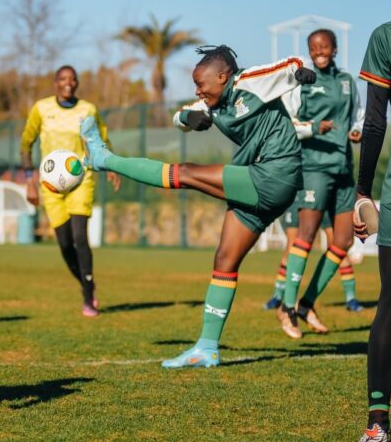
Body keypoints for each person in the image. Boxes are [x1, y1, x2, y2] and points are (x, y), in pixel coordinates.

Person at [80, 45, 316, 367]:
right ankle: (207, 348)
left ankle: (104, 159)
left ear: (223, 76)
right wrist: (189, 118)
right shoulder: (211, 102)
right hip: (260, 181)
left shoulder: (250, 82)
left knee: (187, 173)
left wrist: (301, 72)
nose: (197, 90)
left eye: (201, 83)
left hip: (276, 173)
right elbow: (180, 117)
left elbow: (290, 64)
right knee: (224, 260)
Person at [278, 29, 363, 338]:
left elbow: (357, 117)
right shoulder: (302, 83)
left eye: (325, 46)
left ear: (335, 48)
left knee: (343, 241)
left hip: (343, 169)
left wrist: (357, 131)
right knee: (307, 235)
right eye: (314, 48)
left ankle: (306, 303)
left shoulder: (347, 82)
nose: (320, 51)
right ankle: (286, 307)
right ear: (309, 52)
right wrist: (313, 127)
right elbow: (287, 125)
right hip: (314, 168)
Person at [21, 65, 120, 317]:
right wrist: (30, 181)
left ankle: (88, 298)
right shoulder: (41, 109)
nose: (68, 83)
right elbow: (26, 144)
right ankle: (87, 283)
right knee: (65, 244)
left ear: (77, 83)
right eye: (63, 79)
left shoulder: (88, 109)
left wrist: (111, 166)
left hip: (81, 180)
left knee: (79, 237)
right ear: (55, 83)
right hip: (50, 185)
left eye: (73, 79)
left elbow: (101, 139)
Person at [354, 21, 391, 442]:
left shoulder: (385, 36)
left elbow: (375, 123)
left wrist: (363, 190)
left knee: (390, 304)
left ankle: (378, 424)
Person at [264, 202, 363, 312]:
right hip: (299, 197)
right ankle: (279, 297)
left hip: (325, 196)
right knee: (291, 246)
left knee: (337, 246)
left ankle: (351, 298)